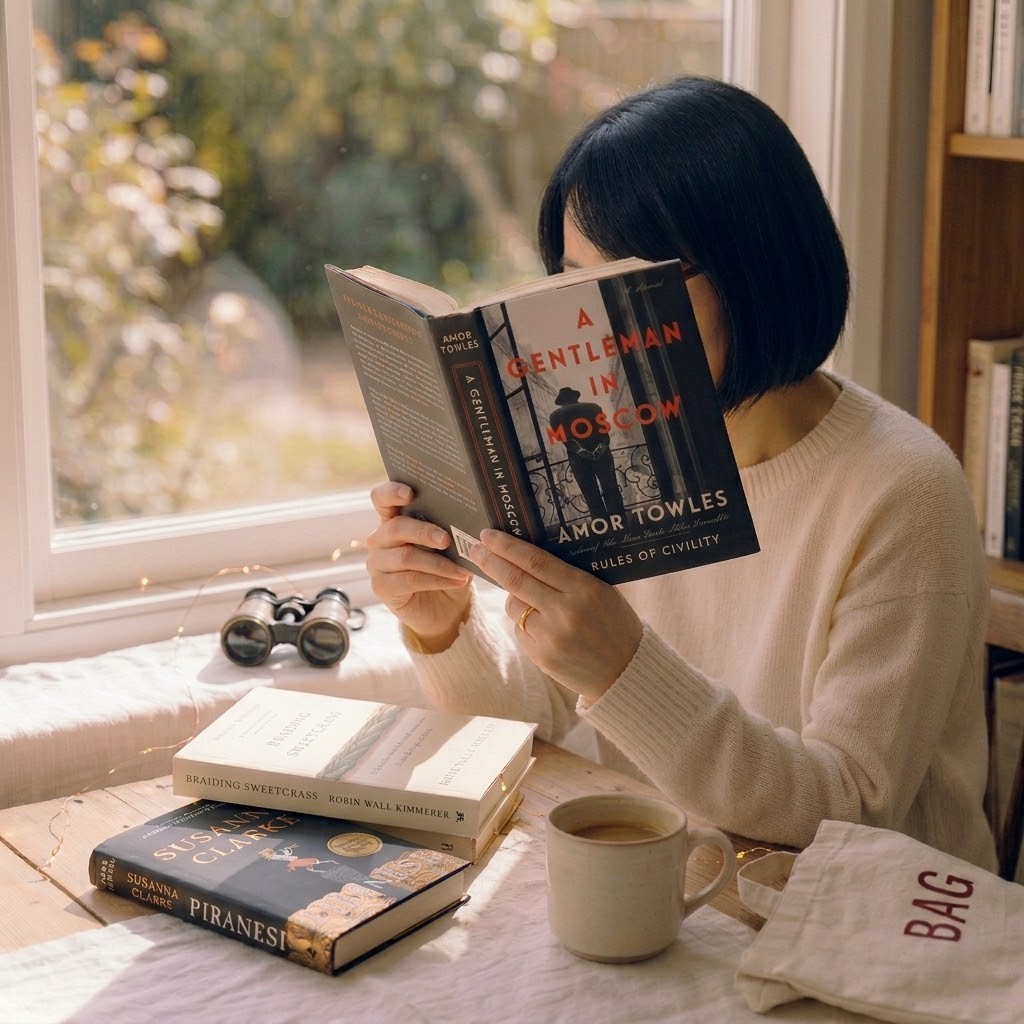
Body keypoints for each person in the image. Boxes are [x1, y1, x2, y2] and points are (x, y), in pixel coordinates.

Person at [365, 75, 997, 871]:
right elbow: (538, 721)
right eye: (571, 281)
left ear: (753, 267)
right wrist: (441, 624)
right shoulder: (608, 452)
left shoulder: (902, 489)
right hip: (683, 895)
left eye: (630, 284)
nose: (591, 321)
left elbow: (850, 808)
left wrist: (628, 668)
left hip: (866, 943)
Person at [548, 386, 626, 521]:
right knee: (611, 488)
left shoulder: (554, 416)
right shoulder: (594, 407)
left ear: (561, 401)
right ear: (576, 397)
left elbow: (564, 439)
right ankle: (620, 521)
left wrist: (582, 451)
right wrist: (598, 451)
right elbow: (604, 433)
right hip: (602, 454)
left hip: (578, 458)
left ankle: (602, 525)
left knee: (590, 494)